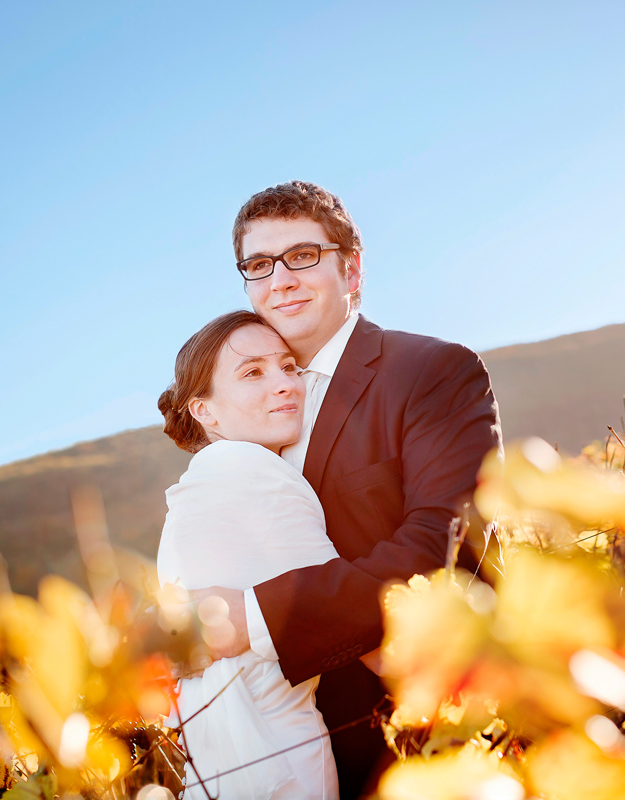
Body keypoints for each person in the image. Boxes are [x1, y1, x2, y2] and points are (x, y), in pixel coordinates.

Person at [190, 181, 502, 797]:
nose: (280, 280)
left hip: (443, 726)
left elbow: (436, 545)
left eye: (303, 256)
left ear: (351, 268)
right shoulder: (246, 414)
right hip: (303, 750)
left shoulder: (430, 371)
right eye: (259, 265)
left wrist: (246, 619)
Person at [156, 310, 350, 800]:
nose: (285, 384)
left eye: (288, 367)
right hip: (279, 760)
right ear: (205, 411)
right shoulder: (248, 467)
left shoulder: (204, 483)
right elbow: (342, 609)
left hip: (216, 763)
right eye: (253, 373)